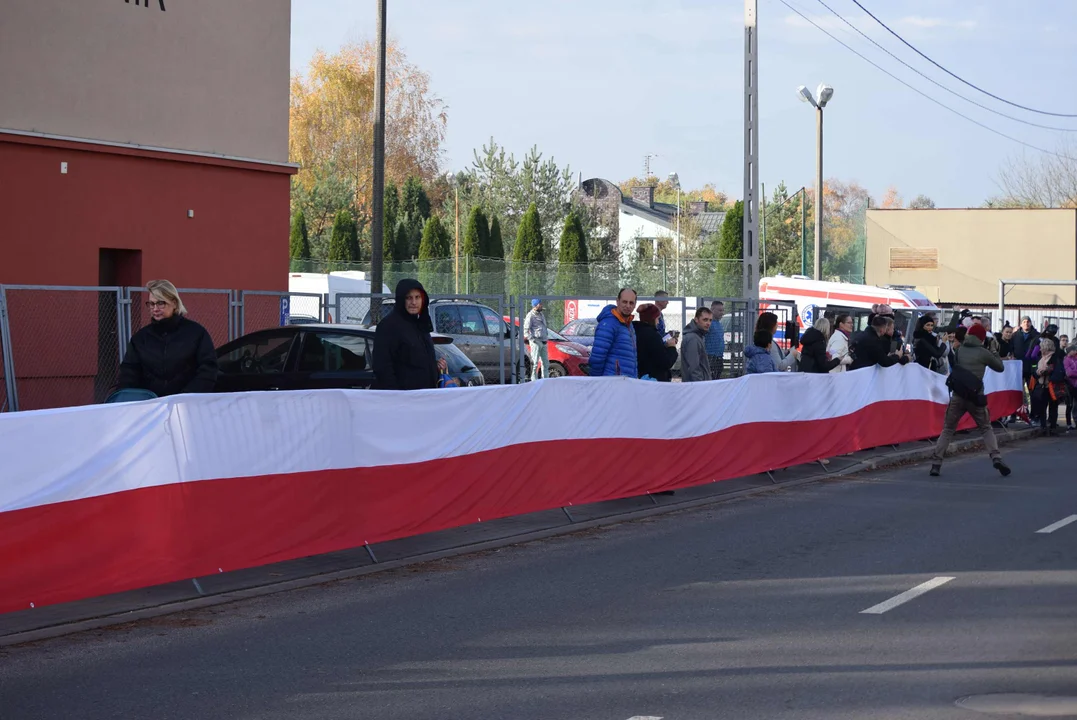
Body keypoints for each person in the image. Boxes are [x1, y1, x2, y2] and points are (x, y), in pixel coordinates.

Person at [929, 324, 1011, 477]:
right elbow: (1000, 367)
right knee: (986, 428)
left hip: (958, 395)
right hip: (976, 397)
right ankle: (996, 457)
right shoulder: (984, 353)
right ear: (981, 338)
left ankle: (936, 463)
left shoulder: (960, 350)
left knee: (947, 429)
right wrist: (993, 350)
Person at [117, 279, 218, 398]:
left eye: (161, 303)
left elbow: (208, 370)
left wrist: (186, 397)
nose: (155, 309)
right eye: (151, 304)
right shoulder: (140, 339)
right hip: (151, 407)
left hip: (187, 406)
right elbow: (129, 372)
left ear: (174, 303)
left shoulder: (196, 333)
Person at [373, 278, 446, 390]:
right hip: (403, 400)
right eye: (409, 298)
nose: (414, 302)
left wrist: (435, 367)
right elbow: (382, 367)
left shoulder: (420, 325)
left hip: (426, 396)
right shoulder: (389, 326)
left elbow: (415, 361)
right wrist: (398, 396)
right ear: (401, 300)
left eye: (417, 297)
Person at [590, 288, 638, 377]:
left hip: (625, 382)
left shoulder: (628, 324)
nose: (628, 306)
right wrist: (597, 381)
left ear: (635, 305)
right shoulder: (608, 324)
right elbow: (597, 358)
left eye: (631, 303)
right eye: (624, 302)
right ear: (617, 301)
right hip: (611, 383)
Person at [634, 303, 677, 382]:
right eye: (657, 319)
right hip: (655, 380)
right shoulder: (652, 335)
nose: (658, 322)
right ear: (652, 319)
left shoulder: (635, 331)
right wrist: (671, 348)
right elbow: (665, 362)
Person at [1033, 337, 1067, 434]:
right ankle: (1044, 425)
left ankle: (1051, 426)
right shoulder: (1040, 357)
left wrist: (1046, 371)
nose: (1040, 349)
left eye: (1042, 347)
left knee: (1052, 407)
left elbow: (1056, 371)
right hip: (1042, 385)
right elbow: (1034, 371)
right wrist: (1038, 373)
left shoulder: (1054, 358)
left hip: (1051, 386)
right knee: (1043, 407)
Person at [681, 306, 713, 382]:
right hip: (697, 386)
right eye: (705, 320)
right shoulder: (693, 339)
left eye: (710, 320)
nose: (708, 323)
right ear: (696, 320)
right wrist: (699, 386)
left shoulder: (697, 336)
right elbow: (694, 367)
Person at [524, 298, 549, 381]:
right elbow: (525, 330)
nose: (541, 305)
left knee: (545, 363)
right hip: (536, 341)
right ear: (535, 305)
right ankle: (533, 380)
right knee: (534, 363)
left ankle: (545, 380)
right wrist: (532, 340)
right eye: (540, 304)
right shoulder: (530, 315)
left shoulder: (541, 314)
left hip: (544, 341)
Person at [1011, 316, 1040, 383]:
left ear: (1031, 323)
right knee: (1017, 387)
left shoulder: (1037, 336)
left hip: (1031, 366)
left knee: (1031, 389)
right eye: (1024, 322)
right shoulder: (1015, 335)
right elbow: (1011, 348)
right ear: (1021, 324)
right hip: (1018, 365)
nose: (1026, 323)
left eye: (1028, 322)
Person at [705, 300, 726, 379]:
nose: (722, 313)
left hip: (719, 357)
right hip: (711, 357)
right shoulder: (708, 323)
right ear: (712, 310)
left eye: (723, 310)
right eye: (719, 310)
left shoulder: (719, 324)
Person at [1065, 343, 1077, 430]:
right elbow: (1069, 373)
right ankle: (1068, 423)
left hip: (1076, 385)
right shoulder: (1066, 360)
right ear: (1070, 351)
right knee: (1069, 404)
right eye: (1074, 350)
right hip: (1069, 385)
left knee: (1076, 405)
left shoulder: (1075, 359)